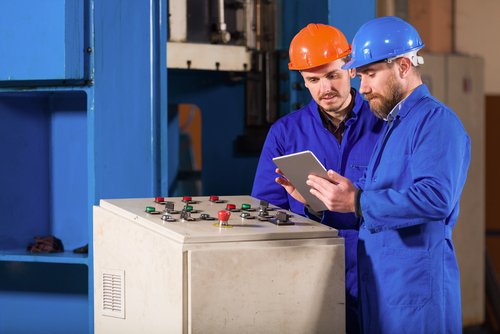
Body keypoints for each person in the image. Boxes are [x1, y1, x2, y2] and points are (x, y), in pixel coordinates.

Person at [279, 16, 471, 333]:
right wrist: (328, 198)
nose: (363, 87)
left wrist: (357, 200)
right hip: (383, 290)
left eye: (369, 74)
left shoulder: (437, 122)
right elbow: (382, 198)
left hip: (415, 294)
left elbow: (436, 199)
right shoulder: (394, 124)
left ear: (404, 67)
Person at [251, 23, 383, 333]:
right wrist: (310, 209)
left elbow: (396, 201)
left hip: (374, 267)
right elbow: (266, 209)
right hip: (309, 268)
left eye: (332, 75)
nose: (325, 89)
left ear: (350, 70)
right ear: (303, 81)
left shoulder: (383, 126)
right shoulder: (285, 133)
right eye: (313, 80)